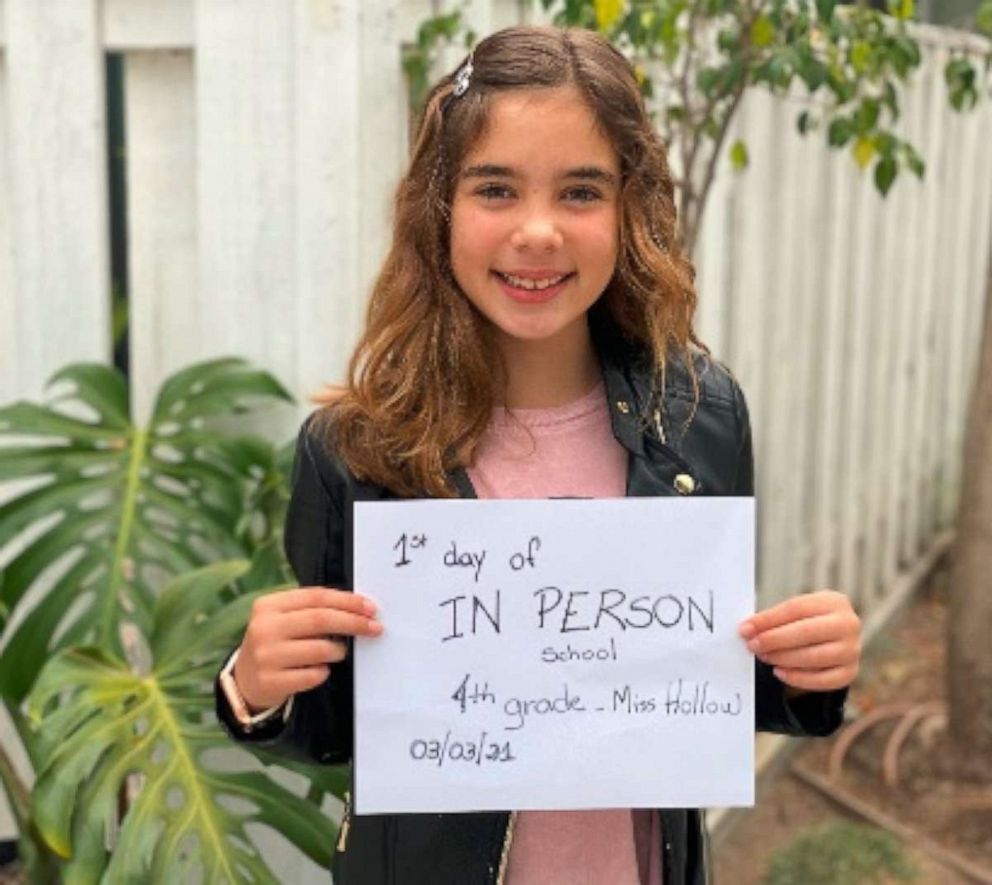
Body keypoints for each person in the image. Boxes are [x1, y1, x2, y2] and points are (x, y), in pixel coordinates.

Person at [215, 25, 862, 885]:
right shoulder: (356, 450)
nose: (538, 231)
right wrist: (255, 682)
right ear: (439, 207)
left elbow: (694, 681)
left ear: (630, 210)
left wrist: (807, 670)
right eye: (496, 188)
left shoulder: (704, 419)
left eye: (581, 192)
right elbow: (335, 722)